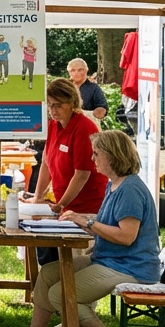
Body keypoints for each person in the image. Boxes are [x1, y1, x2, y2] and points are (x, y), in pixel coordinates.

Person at [20, 130, 161, 327]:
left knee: (61, 294)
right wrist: (78, 217)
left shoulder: (130, 189)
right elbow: (106, 222)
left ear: (113, 156)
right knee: (47, 273)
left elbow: (127, 236)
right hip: (109, 260)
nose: (93, 159)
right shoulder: (115, 184)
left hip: (131, 267)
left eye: (97, 154)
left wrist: (87, 221)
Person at [25, 77, 107, 265]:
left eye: (58, 106)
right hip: (64, 207)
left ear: (72, 103)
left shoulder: (84, 128)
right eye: (50, 105)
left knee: (70, 264)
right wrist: (38, 197)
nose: (53, 111)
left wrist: (61, 205)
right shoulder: (54, 125)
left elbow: (82, 174)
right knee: (45, 254)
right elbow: (46, 160)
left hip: (86, 208)